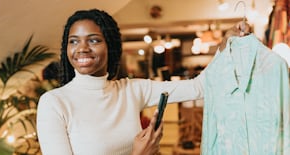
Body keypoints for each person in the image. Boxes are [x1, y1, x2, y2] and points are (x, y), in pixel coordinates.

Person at [36, 9, 250, 155]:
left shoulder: (131, 90)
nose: (82, 48)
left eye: (93, 40)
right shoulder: (54, 103)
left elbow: (199, 86)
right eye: (74, 41)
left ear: (110, 46)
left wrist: (225, 45)